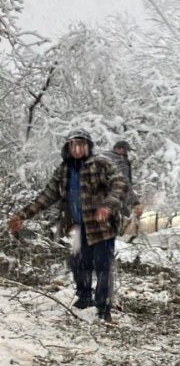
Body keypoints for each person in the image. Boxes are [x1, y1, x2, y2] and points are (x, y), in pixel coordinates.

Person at [7, 129, 128, 322]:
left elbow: (120, 183)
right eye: (73, 145)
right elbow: (46, 196)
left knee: (103, 266)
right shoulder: (64, 169)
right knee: (79, 263)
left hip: (102, 227)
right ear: (68, 147)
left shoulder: (101, 164)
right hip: (79, 226)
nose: (77, 149)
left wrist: (107, 206)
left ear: (88, 147)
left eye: (81, 145)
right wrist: (22, 215)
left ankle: (103, 307)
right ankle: (84, 297)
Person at [101, 140, 143, 241]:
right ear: (118, 149)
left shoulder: (100, 158)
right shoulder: (119, 161)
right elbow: (124, 183)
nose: (126, 153)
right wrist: (135, 202)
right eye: (125, 150)